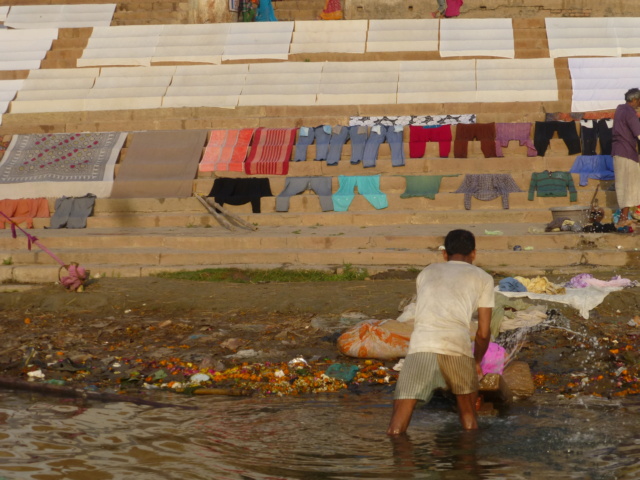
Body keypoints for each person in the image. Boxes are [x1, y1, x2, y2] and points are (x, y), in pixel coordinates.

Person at [387, 229, 493, 434]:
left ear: (445, 254)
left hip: (421, 348)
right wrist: (477, 361)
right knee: (469, 420)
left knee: (396, 427)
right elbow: (483, 332)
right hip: (456, 348)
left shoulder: (427, 272)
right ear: (474, 254)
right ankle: (469, 464)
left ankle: (399, 466)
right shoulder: (483, 278)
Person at [612, 88, 640, 228]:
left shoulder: (620, 110)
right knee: (630, 185)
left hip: (618, 152)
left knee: (625, 185)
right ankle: (623, 218)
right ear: (635, 100)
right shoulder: (629, 112)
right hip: (627, 153)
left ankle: (624, 217)